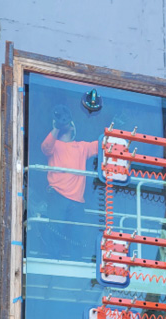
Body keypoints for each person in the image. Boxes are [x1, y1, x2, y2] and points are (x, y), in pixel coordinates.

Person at [40, 104, 98, 260]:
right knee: (55, 229)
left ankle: (75, 263)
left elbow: (101, 145)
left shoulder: (82, 147)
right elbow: (45, 147)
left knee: (77, 234)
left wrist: (117, 126)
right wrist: (56, 127)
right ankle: (53, 261)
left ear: (73, 126)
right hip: (57, 195)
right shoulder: (54, 144)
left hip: (77, 201)